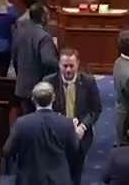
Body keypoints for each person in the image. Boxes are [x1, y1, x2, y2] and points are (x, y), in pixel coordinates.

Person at [43, 48, 102, 185]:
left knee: (76, 172)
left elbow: (95, 109)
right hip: (56, 135)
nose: (68, 70)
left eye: (71, 66)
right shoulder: (49, 82)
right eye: (65, 66)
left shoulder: (88, 82)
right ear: (59, 64)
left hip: (81, 135)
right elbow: (45, 110)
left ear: (78, 64)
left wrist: (83, 126)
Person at [3, 81, 79, 185]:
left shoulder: (22, 123)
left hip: (29, 180)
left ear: (33, 99)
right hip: (59, 180)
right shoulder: (67, 124)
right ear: (53, 98)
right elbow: (75, 150)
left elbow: (7, 151)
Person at [12, 4, 59, 114]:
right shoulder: (44, 37)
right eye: (48, 15)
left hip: (22, 86)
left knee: (27, 118)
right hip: (40, 89)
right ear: (43, 17)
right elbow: (48, 61)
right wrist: (60, 67)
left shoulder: (20, 33)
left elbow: (14, 58)